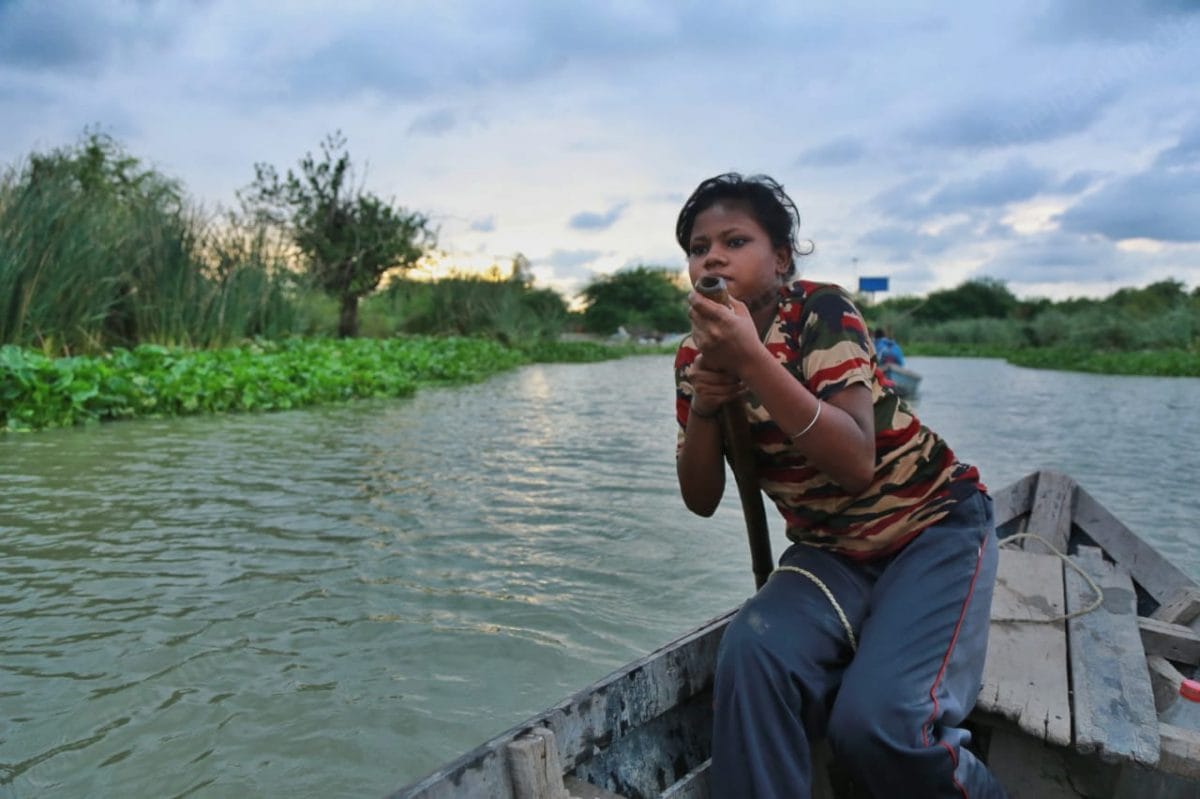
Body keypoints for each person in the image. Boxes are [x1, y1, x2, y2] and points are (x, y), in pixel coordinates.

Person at [673, 173, 1005, 798]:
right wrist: (709, 407)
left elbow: (854, 463)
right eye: (698, 246)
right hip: (831, 552)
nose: (712, 256)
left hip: (931, 530)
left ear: (780, 258)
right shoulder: (697, 356)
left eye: (735, 240)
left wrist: (754, 363)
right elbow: (701, 498)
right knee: (751, 651)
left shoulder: (819, 313)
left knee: (877, 723)